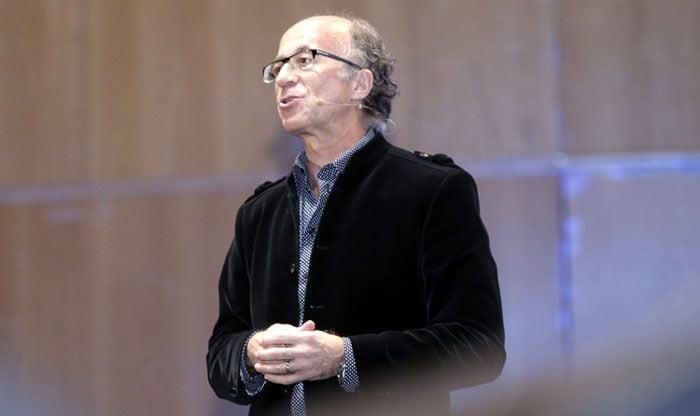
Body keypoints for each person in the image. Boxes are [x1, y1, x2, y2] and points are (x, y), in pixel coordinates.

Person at [206, 14, 505, 416]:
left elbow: (477, 346)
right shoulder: (259, 213)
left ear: (360, 84)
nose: (283, 78)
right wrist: (250, 353)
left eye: (305, 59)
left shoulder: (432, 190)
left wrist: (345, 358)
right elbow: (222, 352)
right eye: (278, 67)